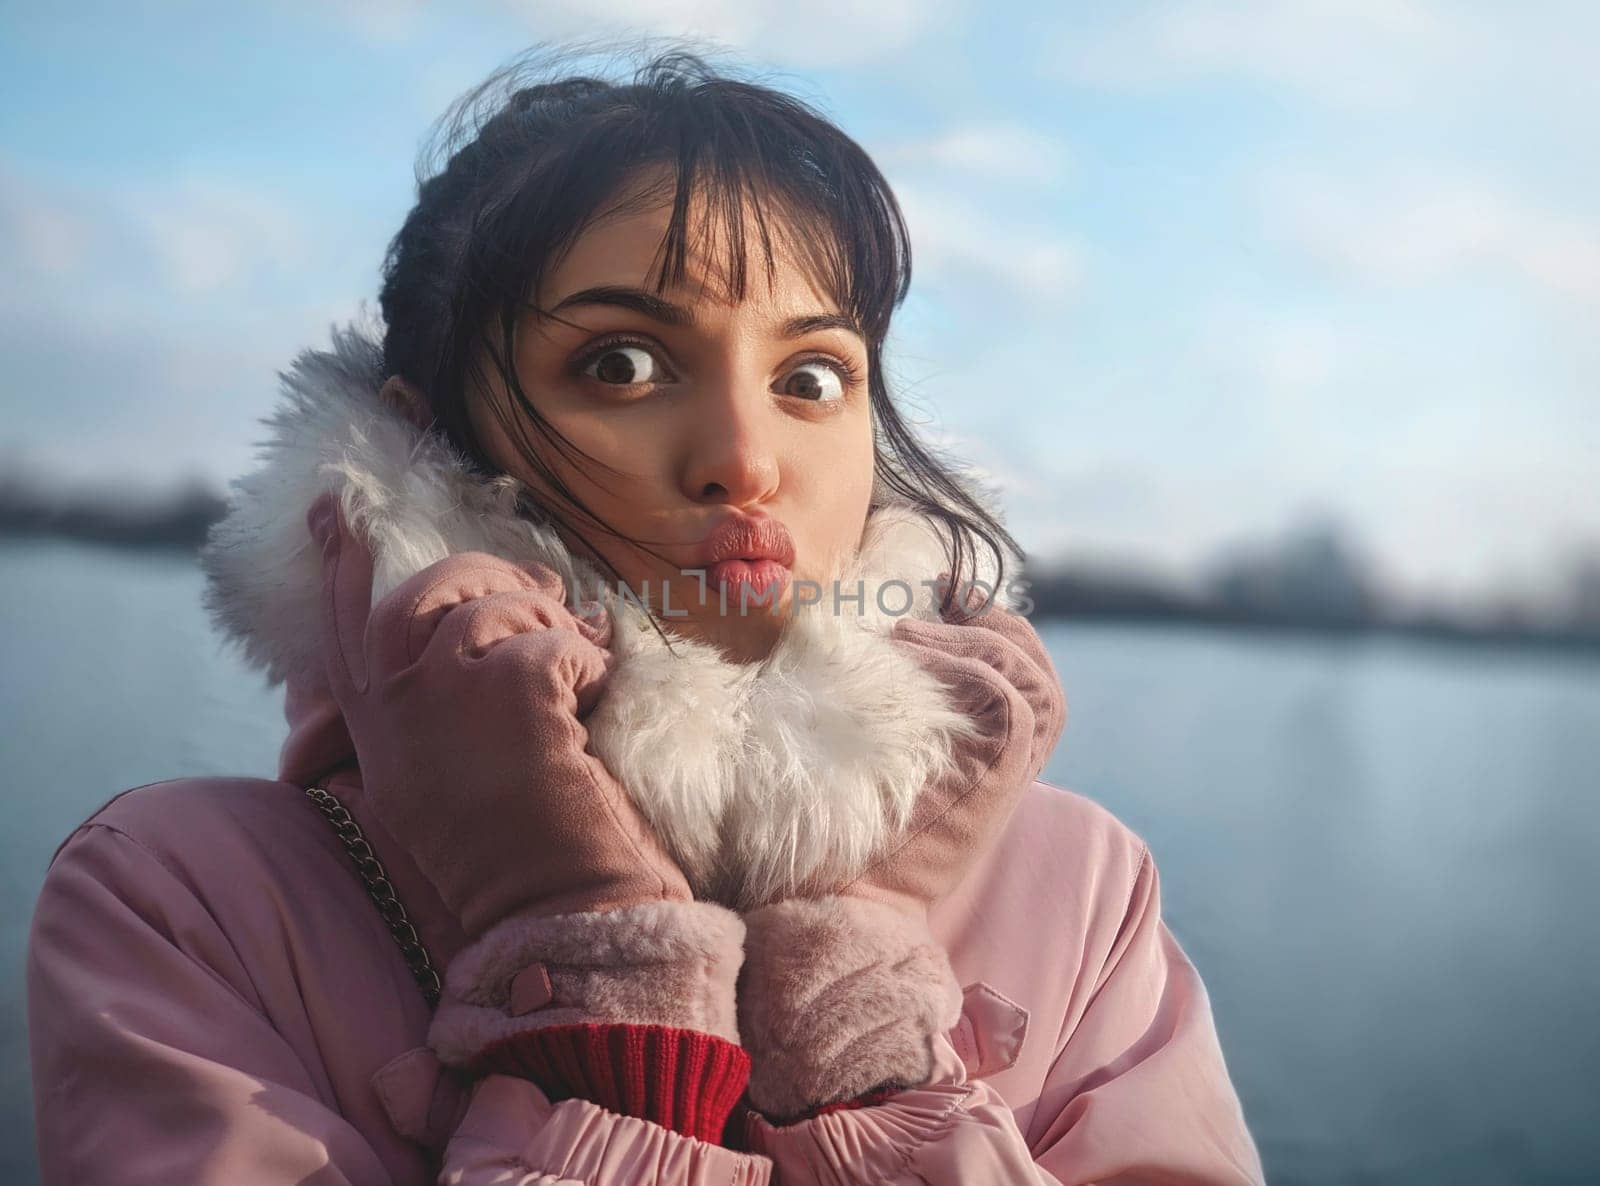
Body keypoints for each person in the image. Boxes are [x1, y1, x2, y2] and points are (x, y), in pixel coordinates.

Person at [25, 46, 1266, 1185]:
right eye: (620, 362)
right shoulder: (184, 897)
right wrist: (592, 987)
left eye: (811, 378)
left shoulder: (1082, 882)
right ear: (419, 441)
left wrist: (862, 1032)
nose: (744, 458)